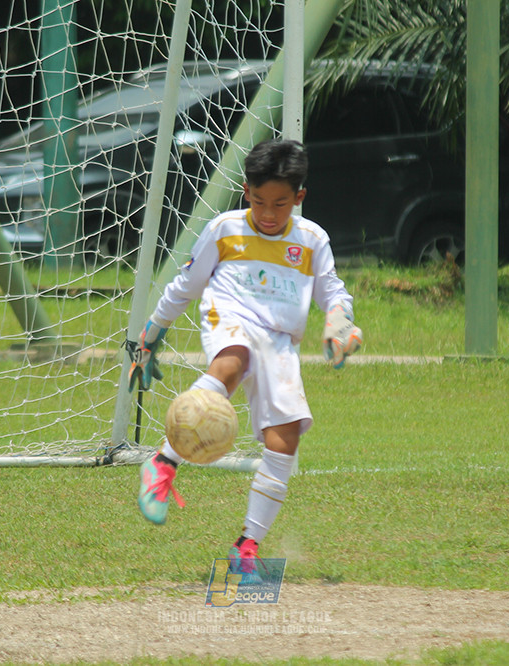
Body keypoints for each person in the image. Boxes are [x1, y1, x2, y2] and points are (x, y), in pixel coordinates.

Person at [128, 138, 362, 581]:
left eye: (280, 204)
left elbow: (335, 294)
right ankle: (162, 463)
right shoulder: (225, 229)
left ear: (300, 198)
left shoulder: (312, 240)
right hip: (229, 316)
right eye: (258, 202)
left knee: (284, 439)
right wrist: (151, 334)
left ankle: (246, 546)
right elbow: (184, 285)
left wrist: (339, 323)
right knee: (232, 361)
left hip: (280, 342)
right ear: (245, 192)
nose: (269, 214)